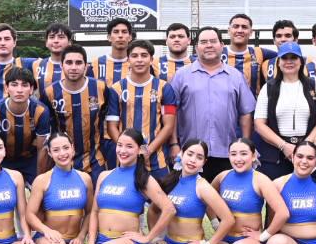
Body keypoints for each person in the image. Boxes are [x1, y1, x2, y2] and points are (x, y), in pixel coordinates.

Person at [81, 130, 175, 244]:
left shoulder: (143, 179)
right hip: (103, 243)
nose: (123, 150)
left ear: (140, 150)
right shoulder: (104, 176)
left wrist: (148, 237)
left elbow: (169, 209)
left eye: (129, 146)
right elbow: (94, 212)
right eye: (120, 145)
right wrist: (91, 243)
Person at [145, 138, 235, 244]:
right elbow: (152, 211)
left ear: (204, 162)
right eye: (190, 154)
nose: (193, 160)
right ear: (181, 154)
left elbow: (228, 219)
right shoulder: (169, 181)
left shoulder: (202, 186)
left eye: (199, 157)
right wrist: (156, 237)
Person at [165, 26, 256, 180]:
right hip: (190, 155)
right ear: (196, 47)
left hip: (227, 153)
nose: (208, 45)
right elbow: (171, 112)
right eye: (203, 42)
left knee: (225, 201)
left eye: (213, 41)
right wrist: (174, 145)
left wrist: (244, 146)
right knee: (189, 200)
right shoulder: (181, 76)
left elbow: (245, 113)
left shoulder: (235, 76)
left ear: (222, 45)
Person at [213, 137, 291, 244]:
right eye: (233, 154)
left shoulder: (260, 179)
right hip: (226, 239)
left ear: (254, 155)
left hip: (250, 243)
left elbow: (282, 213)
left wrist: (263, 236)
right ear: (228, 156)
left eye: (243, 154)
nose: (238, 159)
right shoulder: (222, 177)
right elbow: (207, 199)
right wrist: (214, 222)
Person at [26, 133, 93, 244]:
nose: (62, 153)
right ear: (49, 153)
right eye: (56, 150)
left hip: (72, 240)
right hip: (49, 239)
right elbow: (29, 214)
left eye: (65, 148)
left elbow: (91, 212)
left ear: (73, 148)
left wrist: (81, 236)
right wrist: (46, 230)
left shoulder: (85, 178)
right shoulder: (42, 180)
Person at [255, 42, 316, 179]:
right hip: (276, 155)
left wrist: (305, 146)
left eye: (293, 58)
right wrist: (284, 146)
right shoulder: (269, 87)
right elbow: (259, 124)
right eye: (284, 58)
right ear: (278, 62)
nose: (289, 62)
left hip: (307, 153)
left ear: (301, 61)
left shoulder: (312, 85)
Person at [45, 44, 121, 175]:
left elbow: (112, 121)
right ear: (61, 66)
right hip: (63, 160)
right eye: (69, 63)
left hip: (96, 160)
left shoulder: (101, 88)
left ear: (86, 67)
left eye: (78, 63)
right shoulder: (50, 92)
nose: (74, 67)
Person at [113, 40, 175, 171]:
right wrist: (128, 149)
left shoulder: (165, 88)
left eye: (144, 55)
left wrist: (148, 150)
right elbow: (111, 126)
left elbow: (169, 125)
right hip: (126, 159)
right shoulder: (116, 88)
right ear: (128, 60)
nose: (139, 60)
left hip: (157, 160)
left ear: (151, 59)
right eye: (134, 56)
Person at [0, 65, 51, 179]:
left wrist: (40, 180)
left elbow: (42, 149)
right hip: (3, 160)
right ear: (6, 88)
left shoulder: (41, 111)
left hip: (31, 160)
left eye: (24, 85)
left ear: (31, 89)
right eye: (14, 85)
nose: (19, 90)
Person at [225, 13, 267, 93]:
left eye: (244, 27)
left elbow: (284, 56)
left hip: (253, 105)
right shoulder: (218, 53)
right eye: (236, 26)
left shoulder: (259, 52)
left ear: (251, 32)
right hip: (225, 105)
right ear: (229, 30)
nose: (240, 30)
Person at [32, 22, 71, 92]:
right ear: (46, 43)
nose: (56, 41)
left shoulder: (79, 66)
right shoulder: (36, 65)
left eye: (61, 37)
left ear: (69, 42)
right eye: (52, 37)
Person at [96, 18, 135, 87]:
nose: (120, 36)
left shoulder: (138, 63)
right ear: (109, 37)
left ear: (130, 37)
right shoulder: (96, 64)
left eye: (124, 32)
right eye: (116, 32)